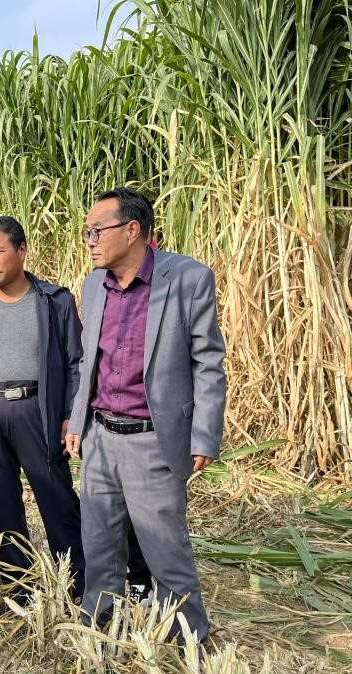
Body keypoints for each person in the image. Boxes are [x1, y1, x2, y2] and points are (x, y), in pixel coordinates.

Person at [66, 189, 225, 641]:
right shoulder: (93, 285)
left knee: (165, 552)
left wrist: (203, 435)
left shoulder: (187, 279)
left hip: (152, 440)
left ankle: (189, 639)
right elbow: (88, 361)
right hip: (100, 436)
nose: (90, 241)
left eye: (97, 231)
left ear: (132, 230)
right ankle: (100, 631)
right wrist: (77, 422)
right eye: (87, 233)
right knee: (99, 547)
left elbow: (208, 362)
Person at [0, 216, 86, 604]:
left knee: (57, 500)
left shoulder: (53, 301)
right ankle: (20, 591)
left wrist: (70, 415)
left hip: (37, 411)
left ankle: (78, 583)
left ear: (22, 251)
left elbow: (75, 362)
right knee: (1, 507)